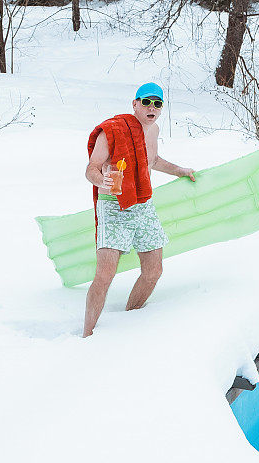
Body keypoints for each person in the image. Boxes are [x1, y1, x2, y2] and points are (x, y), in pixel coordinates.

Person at [82, 82, 195, 337]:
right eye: (146, 101)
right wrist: (102, 180)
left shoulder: (153, 131)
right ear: (135, 104)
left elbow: (152, 160)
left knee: (154, 271)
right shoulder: (112, 131)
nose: (151, 107)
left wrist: (180, 171)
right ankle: (87, 334)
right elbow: (91, 168)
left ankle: (131, 320)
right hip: (114, 205)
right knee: (105, 274)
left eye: (157, 103)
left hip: (143, 204)